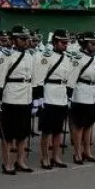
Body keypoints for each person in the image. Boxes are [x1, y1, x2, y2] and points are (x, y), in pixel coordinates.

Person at [0, 26, 38, 173]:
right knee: (9, 133)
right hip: (10, 96)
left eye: (26, 39)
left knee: (23, 132)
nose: (25, 41)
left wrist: (36, 99)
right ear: (13, 40)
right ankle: (7, 163)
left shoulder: (31, 56)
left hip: (26, 96)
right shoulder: (6, 56)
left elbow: (34, 79)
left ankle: (21, 160)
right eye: (22, 39)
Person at [34, 29, 72, 166]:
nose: (65, 45)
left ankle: (56, 157)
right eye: (63, 42)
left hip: (61, 95)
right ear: (55, 42)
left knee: (58, 130)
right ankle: (45, 157)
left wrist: (68, 97)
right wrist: (39, 99)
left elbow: (68, 79)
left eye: (67, 42)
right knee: (47, 130)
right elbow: (39, 79)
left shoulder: (68, 58)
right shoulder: (46, 57)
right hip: (49, 95)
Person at [66, 32, 95, 162]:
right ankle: (77, 153)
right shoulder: (78, 58)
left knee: (88, 125)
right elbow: (71, 78)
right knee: (79, 126)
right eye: (92, 44)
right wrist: (69, 96)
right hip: (80, 93)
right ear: (84, 43)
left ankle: (87, 151)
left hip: (92, 93)